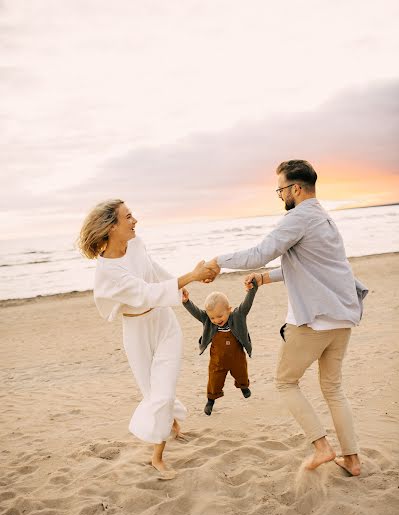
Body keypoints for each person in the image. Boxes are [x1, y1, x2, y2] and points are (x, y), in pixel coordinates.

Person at [204, 160, 368, 476]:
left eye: (280, 189)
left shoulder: (298, 217)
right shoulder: (323, 217)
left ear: (295, 188)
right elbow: (312, 267)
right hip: (342, 318)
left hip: (314, 320)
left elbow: (258, 253)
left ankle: (322, 447)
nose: (280, 196)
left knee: (285, 382)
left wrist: (216, 261)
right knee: (333, 389)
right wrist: (265, 279)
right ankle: (352, 459)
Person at [78, 199, 215, 479]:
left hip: (164, 323)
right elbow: (145, 292)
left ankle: (157, 457)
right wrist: (190, 276)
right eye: (128, 217)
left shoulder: (137, 245)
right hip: (137, 331)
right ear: (111, 227)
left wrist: (182, 287)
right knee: (153, 393)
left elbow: (152, 271)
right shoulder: (108, 272)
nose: (135, 220)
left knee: (162, 391)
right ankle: (172, 424)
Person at [182, 280, 258, 415]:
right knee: (214, 380)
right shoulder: (207, 320)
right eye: (212, 318)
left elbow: (247, 305)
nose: (216, 320)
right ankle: (210, 400)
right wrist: (186, 302)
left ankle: (244, 387)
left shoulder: (237, 316)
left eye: (220, 316)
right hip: (217, 360)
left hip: (237, 357)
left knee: (242, 373)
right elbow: (197, 313)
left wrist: (252, 290)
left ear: (229, 309)